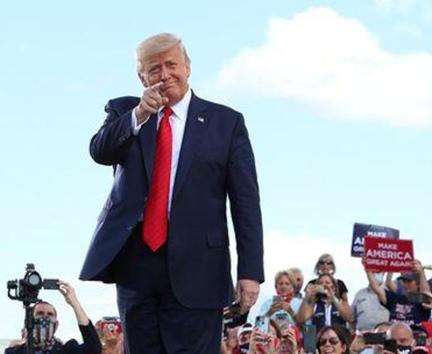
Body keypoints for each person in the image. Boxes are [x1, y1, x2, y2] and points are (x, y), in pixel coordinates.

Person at [79, 33, 264, 353]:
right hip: (137, 266)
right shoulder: (125, 111)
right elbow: (100, 151)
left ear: (187, 67)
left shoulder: (226, 123)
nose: (164, 75)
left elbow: (246, 202)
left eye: (171, 65)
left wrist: (250, 270)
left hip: (200, 268)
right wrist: (138, 116)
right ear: (142, 77)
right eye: (154, 69)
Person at [5, 281, 101, 354]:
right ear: (29, 320)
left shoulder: (66, 349)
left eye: (50, 314)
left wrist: (74, 303)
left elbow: (94, 348)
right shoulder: (15, 352)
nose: (45, 317)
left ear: (56, 324)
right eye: (40, 313)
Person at [365, 259, 432, 325]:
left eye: (409, 281)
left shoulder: (420, 301)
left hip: (415, 334)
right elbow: (375, 287)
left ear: (418, 284)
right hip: (394, 334)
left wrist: (421, 272)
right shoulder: (395, 298)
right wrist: (368, 269)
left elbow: (426, 294)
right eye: (404, 281)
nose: (405, 284)